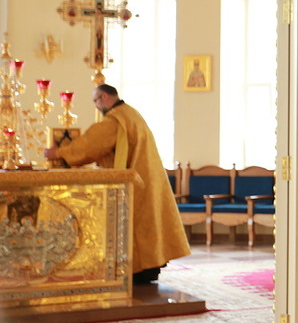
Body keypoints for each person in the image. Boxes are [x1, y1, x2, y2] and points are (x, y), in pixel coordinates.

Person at [43, 84, 190, 283]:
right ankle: (148, 269)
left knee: (135, 225)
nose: (96, 106)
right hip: (147, 178)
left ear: (104, 97)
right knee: (146, 224)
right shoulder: (131, 114)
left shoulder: (116, 119)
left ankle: (137, 272)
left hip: (134, 183)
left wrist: (59, 152)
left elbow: (90, 145)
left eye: (96, 101)